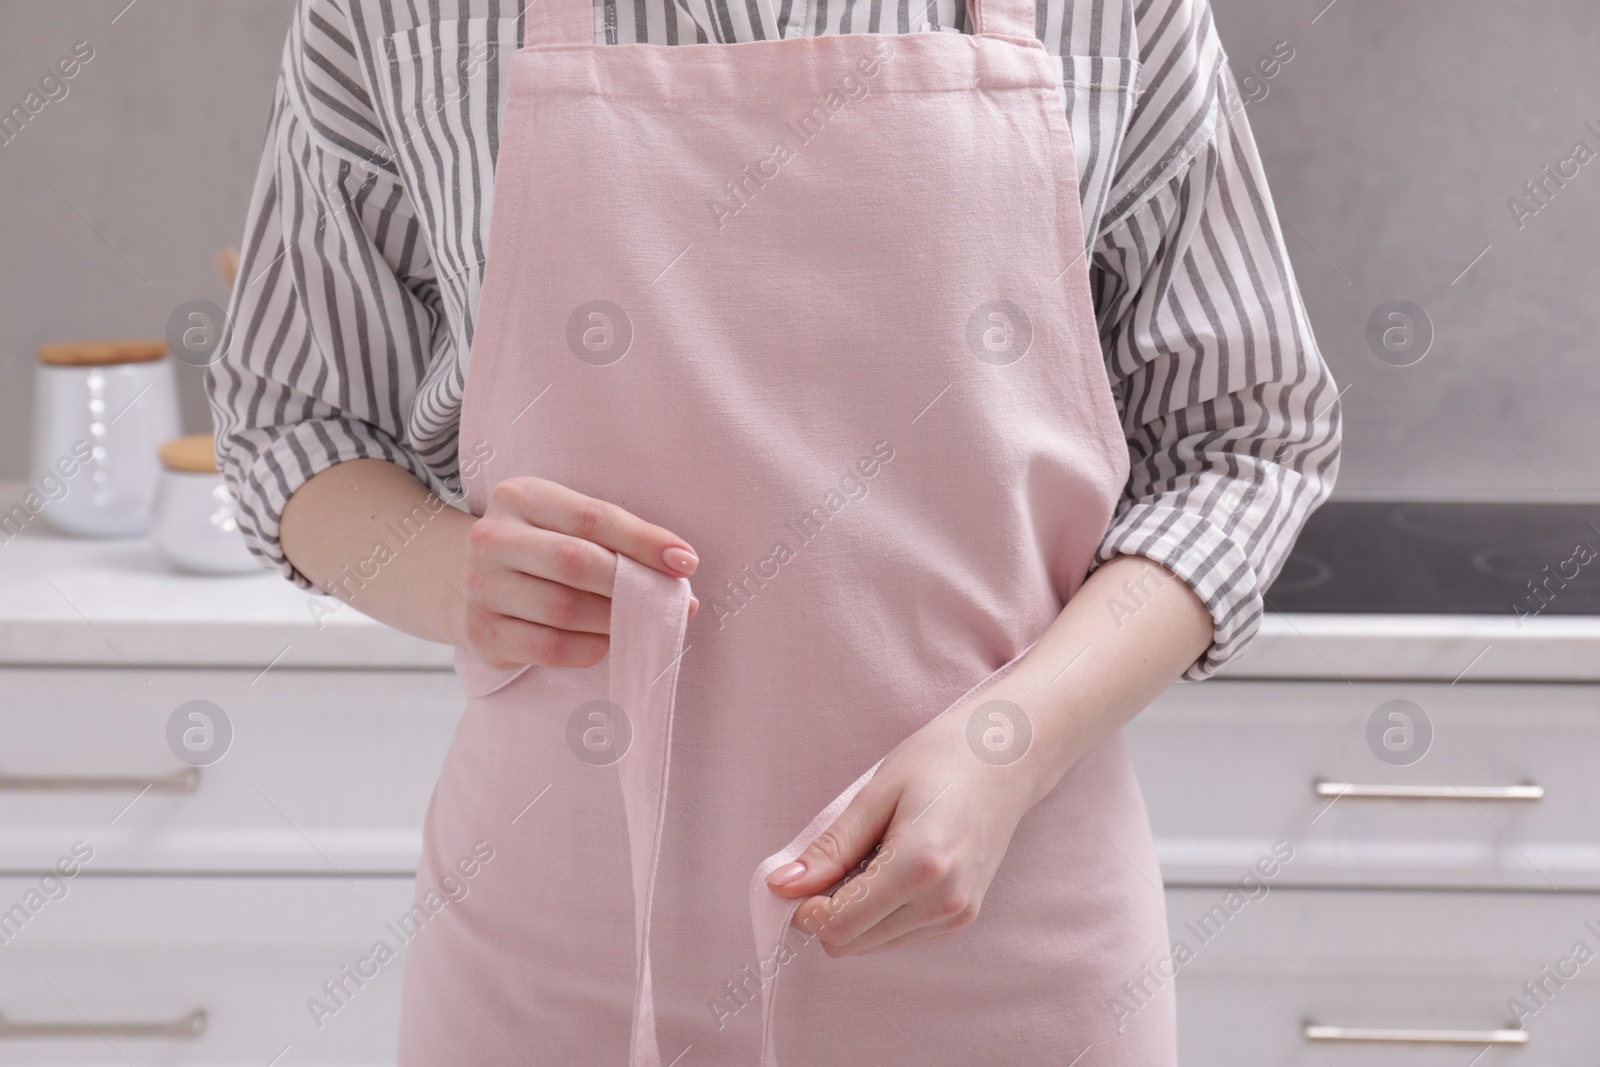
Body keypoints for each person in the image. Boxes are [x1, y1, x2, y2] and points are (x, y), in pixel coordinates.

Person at [208, 0, 1340, 1062]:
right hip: (552, 954)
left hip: (1005, 940)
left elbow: (1243, 442)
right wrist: (442, 570)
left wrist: (1012, 741)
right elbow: (291, 417)